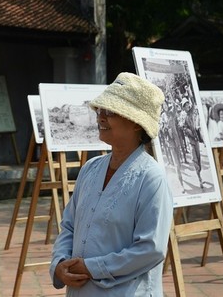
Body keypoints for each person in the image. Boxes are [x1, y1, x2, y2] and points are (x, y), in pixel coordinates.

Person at [50, 72, 174, 296]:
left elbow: (151, 248)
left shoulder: (151, 178)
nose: (101, 117)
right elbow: (69, 226)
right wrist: (60, 265)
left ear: (136, 123)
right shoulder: (91, 169)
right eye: (100, 110)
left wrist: (92, 268)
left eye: (110, 111)